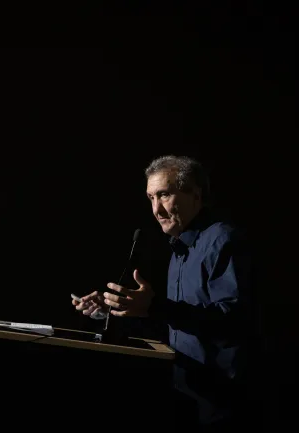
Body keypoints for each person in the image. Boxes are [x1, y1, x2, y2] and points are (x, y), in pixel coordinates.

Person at [72, 155, 256, 431]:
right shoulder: (179, 250)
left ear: (195, 194)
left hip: (223, 403)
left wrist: (155, 306)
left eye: (164, 195)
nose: (156, 209)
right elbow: (177, 326)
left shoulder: (222, 241)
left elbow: (233, 320)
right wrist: (113, 310)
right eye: (150, 198)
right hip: (186, 398)